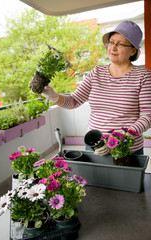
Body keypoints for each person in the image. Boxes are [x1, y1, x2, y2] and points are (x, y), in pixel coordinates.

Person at [41, 21, 151, 156]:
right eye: (111, 42)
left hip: (127, 151)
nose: (113, 47)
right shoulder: (97, 72)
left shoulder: (143, 76)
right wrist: (54, 97)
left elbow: (147, 116)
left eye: (120, 44)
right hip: (95, 147)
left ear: (133, 50)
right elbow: (74, 101)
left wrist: (121, 137)